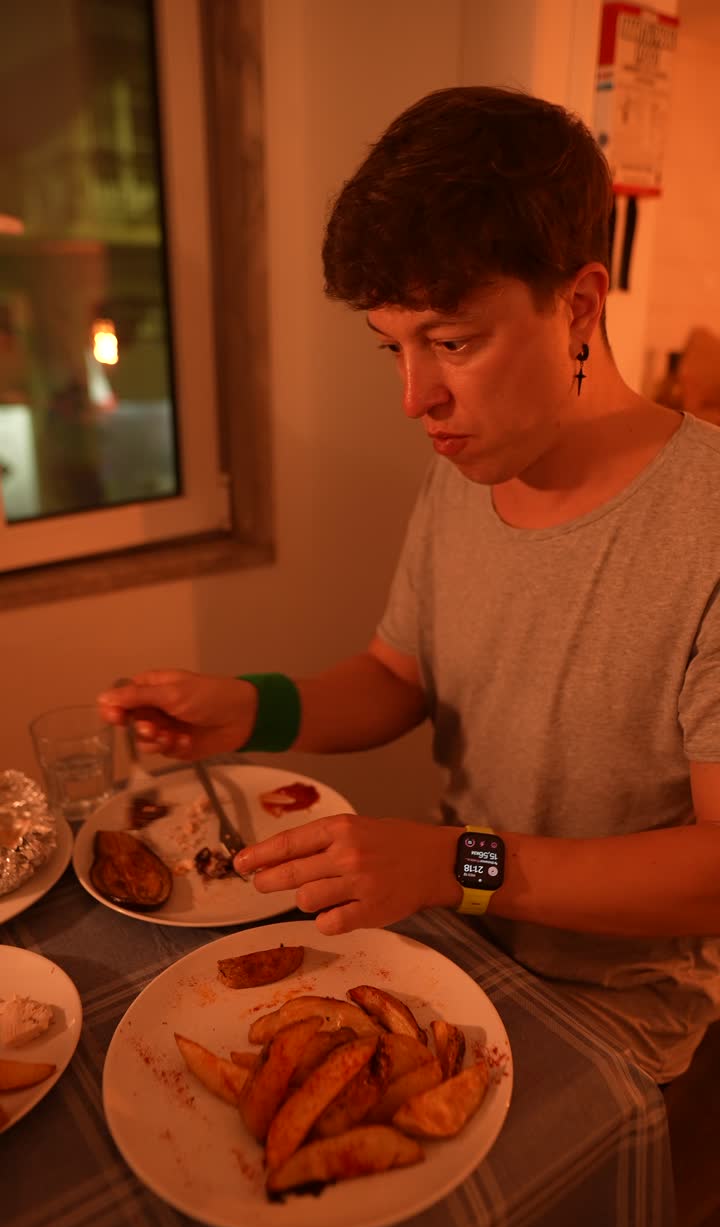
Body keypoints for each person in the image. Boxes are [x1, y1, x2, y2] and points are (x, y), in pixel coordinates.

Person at [99, 86, 720, 1085]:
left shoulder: (705, 523)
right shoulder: (468, 468)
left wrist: (453, 862)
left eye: (452, 342)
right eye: (394, 347)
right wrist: (250, 707)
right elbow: (400, 675)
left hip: (618, 1008)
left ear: (578, 306)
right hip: (457, 938)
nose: (414, 397)